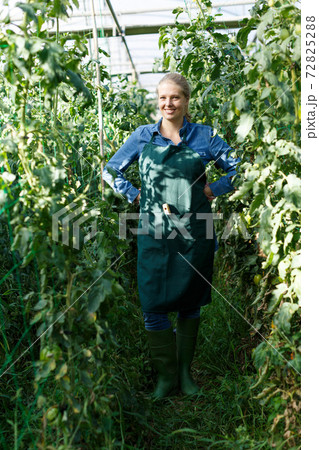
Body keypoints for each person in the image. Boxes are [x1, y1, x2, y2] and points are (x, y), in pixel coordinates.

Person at [103, 73, 240, 399]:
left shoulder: (205, 137)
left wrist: (213, 188)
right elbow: (110, 170)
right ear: (158, 100)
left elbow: (240, 167)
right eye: (163, 98)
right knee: (153, 306)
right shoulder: (142, 137)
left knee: (190, 304)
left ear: (186, 101)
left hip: (195, 233)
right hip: (154, 234)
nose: (168, 104)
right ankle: (165, 378)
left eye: (175, 97)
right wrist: (135, 195)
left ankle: (184, 376)